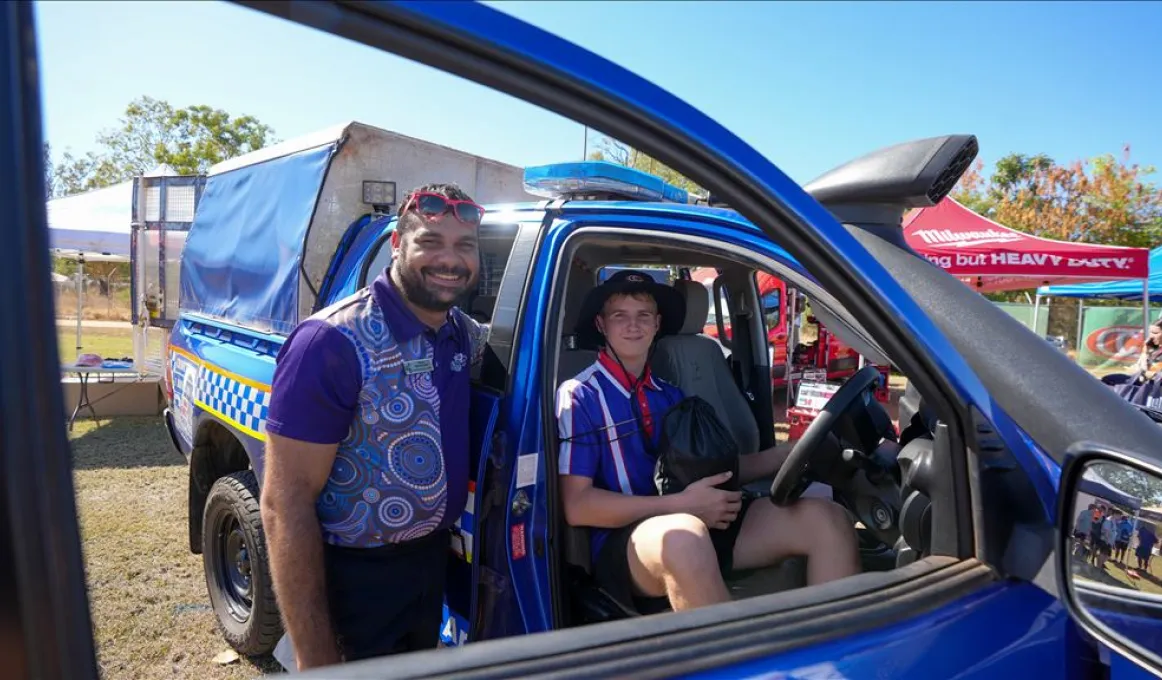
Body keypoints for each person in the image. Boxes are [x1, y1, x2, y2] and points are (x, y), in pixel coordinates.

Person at [261, 183, 490, 669]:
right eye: (430, 242)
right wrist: (315, 654)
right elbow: (285, 504)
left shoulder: (459, 335)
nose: (449, 260)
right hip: (353, 579)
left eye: (464, 246)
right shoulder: (330, 344)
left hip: (430, 563)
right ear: (396, 245)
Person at [556, 270, 860, 614]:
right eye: (619, 316)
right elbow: (577, 505)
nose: (633, 325)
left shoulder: (670, 394)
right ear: (601, 325)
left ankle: (832, 657)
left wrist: (790, 452)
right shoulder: (579, 395)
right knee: (684, 537)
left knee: (827, 519)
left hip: (693, 514)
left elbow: (718, 471)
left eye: (643, 315)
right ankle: (738, 666)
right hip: (625, 541)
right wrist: (682, 506)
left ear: (657, 324)